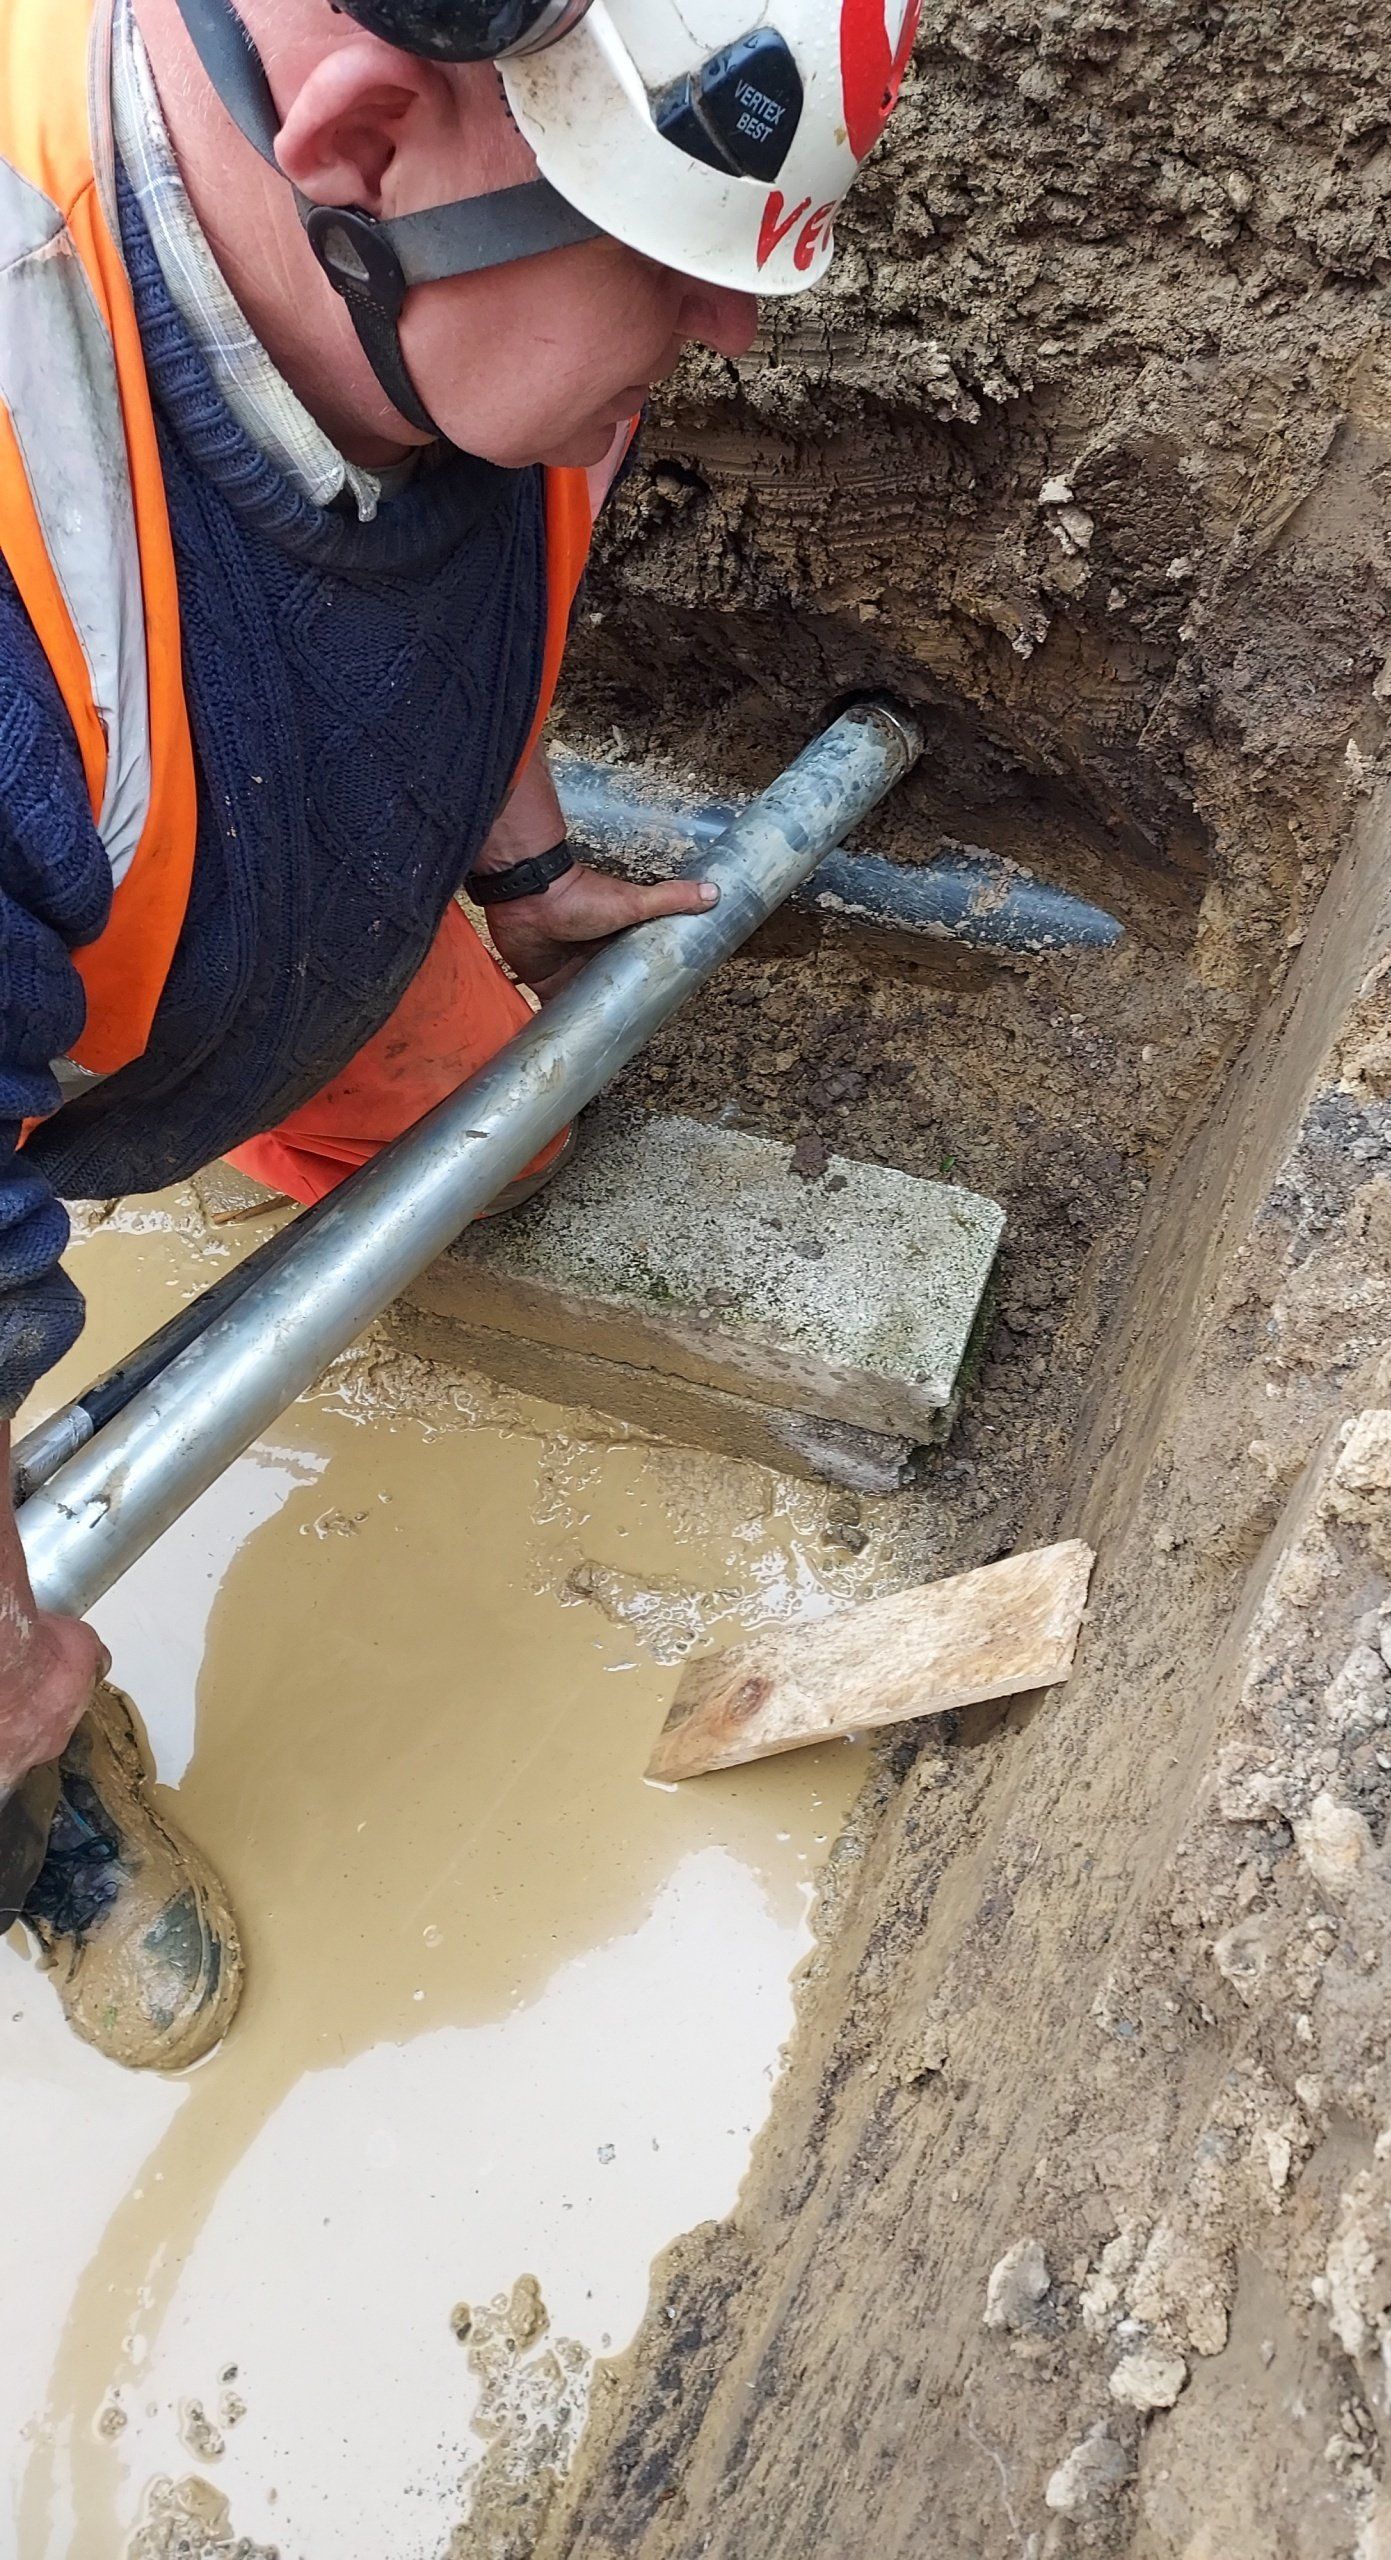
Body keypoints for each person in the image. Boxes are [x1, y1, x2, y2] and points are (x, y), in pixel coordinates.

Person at [0, 0, 919, 2068]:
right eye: (675, 266)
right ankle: (38, 1800)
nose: (732, 330)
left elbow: (477, 552)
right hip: (57, 991)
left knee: (496, 1144)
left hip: (224, 882)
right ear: (360, 145)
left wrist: (512, 854)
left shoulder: (455, 292)